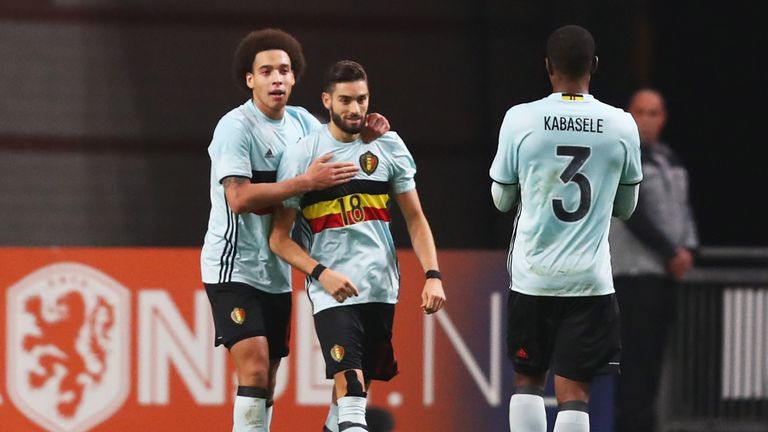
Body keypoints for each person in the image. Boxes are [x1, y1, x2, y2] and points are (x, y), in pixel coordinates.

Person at [200, 29, 389, 432]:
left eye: (284, 70)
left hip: (277, 270)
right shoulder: (236, 128)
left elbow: (342, 144)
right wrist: (305, 183)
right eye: (266, 71)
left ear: (295, 76)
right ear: (249, 79)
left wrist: (365, 130)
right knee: (252, 370)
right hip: (233, 267)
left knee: (267, 380)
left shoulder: (303, 123)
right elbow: (238, 197)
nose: (277, 79)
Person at [269, 60, 446, 432]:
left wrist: (433, 275)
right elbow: (279, 239)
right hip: (332, 292)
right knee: (351, 389)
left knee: (351, 397)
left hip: (380, 288)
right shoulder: (304, 155)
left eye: (361, 100)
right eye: (345, 100)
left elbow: (415, 218)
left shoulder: (388, 147)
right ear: (327, 100)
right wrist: (321, 274)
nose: (354, 109)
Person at [489, 25, 643, 432]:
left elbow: (502, 200)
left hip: (533, 277)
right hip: (589, 281)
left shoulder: (520, 119)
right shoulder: (622, 125)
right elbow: (626, 208)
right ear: (593, 66)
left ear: (547, 67)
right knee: (575, 391)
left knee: (527, 382)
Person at [609, 88, 698, 432]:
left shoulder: (670, 159)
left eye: (654, 113)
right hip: (633, 277)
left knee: (655, 367)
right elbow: (631, 212)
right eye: (641, 111)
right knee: (633, 368)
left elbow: (683, 210)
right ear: (629, 114)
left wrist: (688, 250)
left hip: (664, 277)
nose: (647, 119)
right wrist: (669, 251)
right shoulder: (621, 156)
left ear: (664, 119)